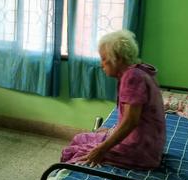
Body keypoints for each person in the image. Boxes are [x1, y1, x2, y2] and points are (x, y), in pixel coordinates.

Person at [62, 29, 166, 170]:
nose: (101, 64)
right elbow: (134, 117)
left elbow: (131, 121)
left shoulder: (132, 77)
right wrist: (113, 130)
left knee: (73, 153)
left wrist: (101, 149)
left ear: (118, 58)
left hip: (140, 150)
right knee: (79, 138)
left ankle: (60, 179)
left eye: (104, 59)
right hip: (149, 145)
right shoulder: (139, 71)